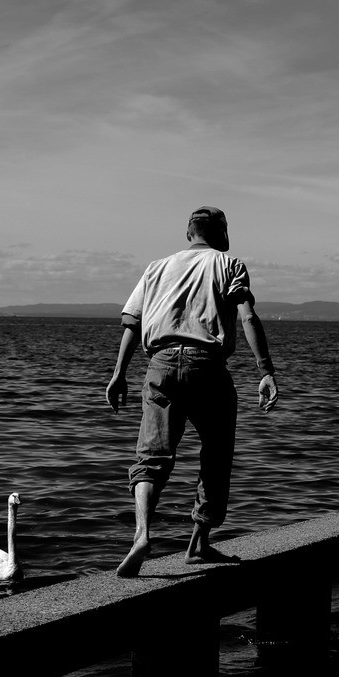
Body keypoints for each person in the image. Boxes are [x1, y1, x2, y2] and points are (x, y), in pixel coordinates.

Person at [106, 206, 279, 578]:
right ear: (222, 234)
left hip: (161, 364)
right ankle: (198, 542)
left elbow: (132, 324)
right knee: (216, 455)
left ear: (188, 234)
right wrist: (265, 371)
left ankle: (141, 535)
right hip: (207, 366)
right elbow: (247, 316)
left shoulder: (156, 267)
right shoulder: (228, 264)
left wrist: (118, 373)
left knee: (152, 456)